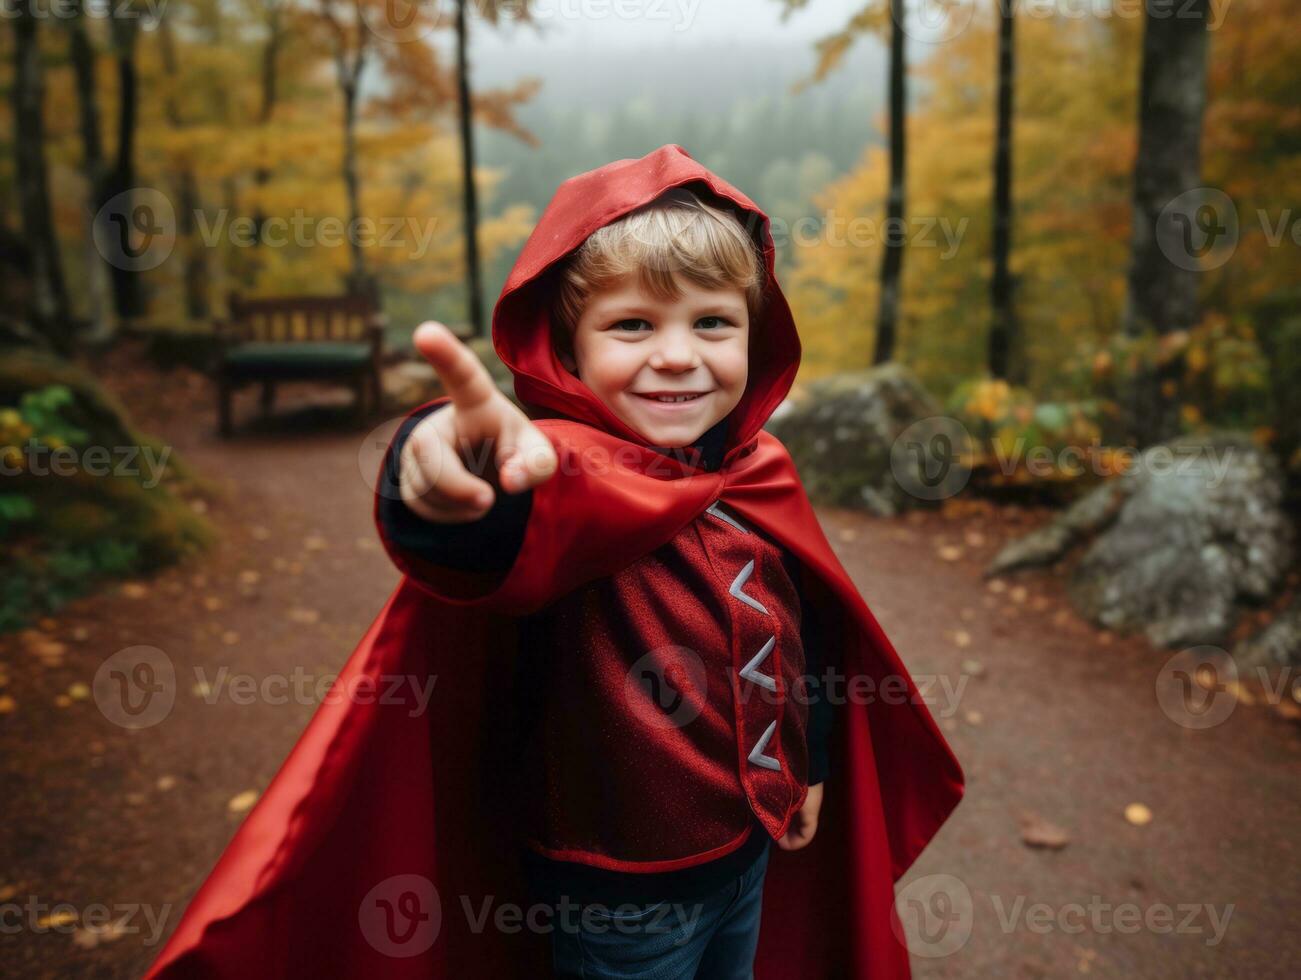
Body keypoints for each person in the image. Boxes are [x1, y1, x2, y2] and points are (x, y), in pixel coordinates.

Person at [144, 144, 964, 980]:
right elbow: (496, 536)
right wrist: (441, 465)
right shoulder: (563, 473)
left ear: (758, 336)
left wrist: (810, 765)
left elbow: (806, 635)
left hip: (750, 849)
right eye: (633, 324)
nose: (678, 354)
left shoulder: (757, 472)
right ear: (568, 351)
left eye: (712, 322)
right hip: (617, 896)